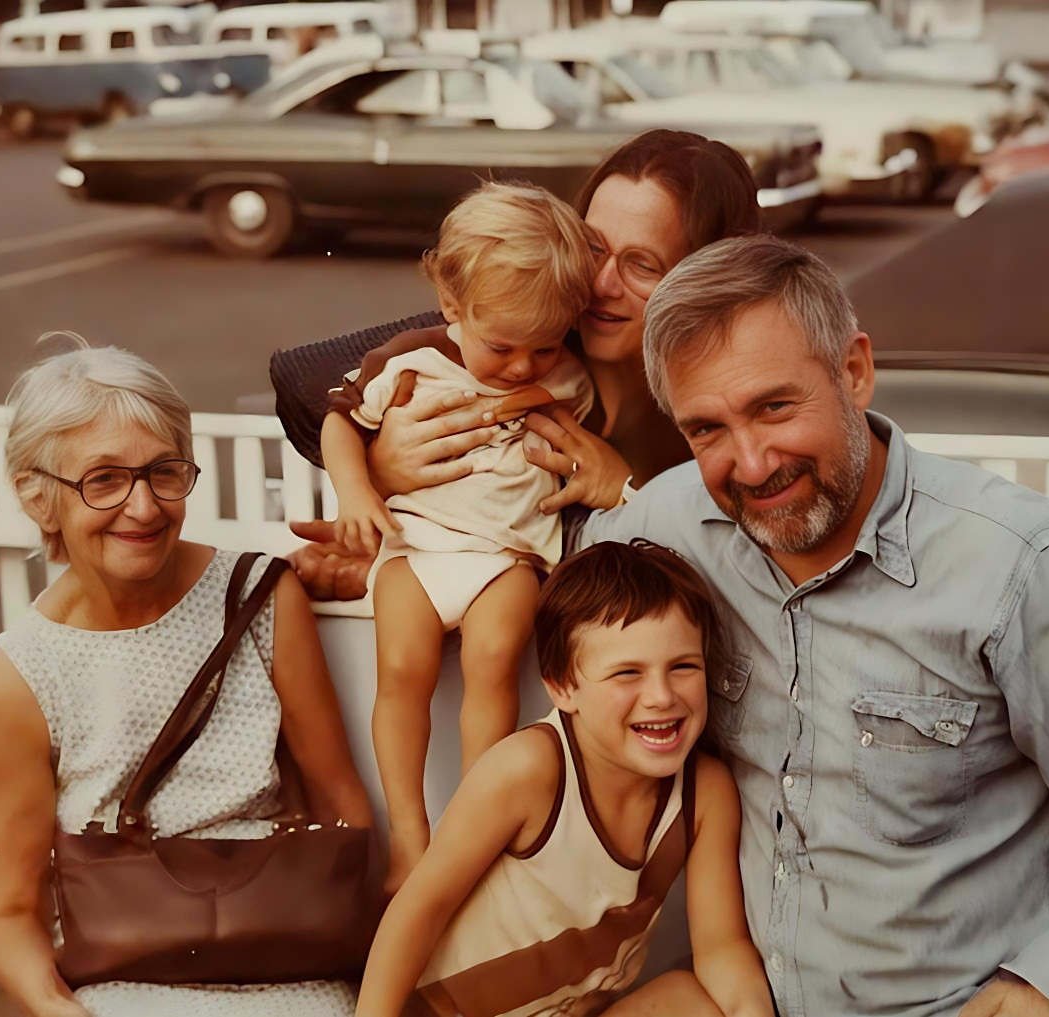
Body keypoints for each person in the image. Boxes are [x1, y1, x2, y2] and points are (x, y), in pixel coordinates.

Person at [578, 235, 1049, 1017]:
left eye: (774, 407)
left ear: (854, 371)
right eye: (707, 430)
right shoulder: (667, 526)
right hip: (747, 995)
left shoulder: (1019, 563)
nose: (750, 464)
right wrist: (392, 452)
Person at [0, 337, 374, 1017]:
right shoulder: (23, 672)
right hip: (124, 979)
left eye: (164, 471)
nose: (144, 507)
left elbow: (344, 809)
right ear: (40, 499)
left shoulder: (255, 595)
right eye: (104, 479)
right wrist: (60, 1009)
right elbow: (10, 909)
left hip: (290, 959)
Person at [281, 129, 762, 599]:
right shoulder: (527, 329)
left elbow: (738, 580)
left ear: (707, 277)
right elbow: (308, 376)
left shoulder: (727, 418)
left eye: (642, 264)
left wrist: (629, 492)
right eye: (592, 247)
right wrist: (382, 468)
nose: (599, 284)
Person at [356, 541, 773, 1017]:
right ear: (563, 687)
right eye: (626, 673)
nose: (661, 696)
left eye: (683, 667)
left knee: (690, 999)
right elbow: (417, 912)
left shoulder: (706, 793)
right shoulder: (528, 769)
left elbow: (722, 946)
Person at [320, 182, 597, 891]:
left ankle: (478, 822)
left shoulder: (571, 378)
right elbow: (340, 421)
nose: (523, 366)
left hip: (507, 555)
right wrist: (356, 489)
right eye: (502, 345)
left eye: (545, 346)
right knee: (402, 672)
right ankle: (411, 834)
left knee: (496, 655)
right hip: (416, 545)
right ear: (452, 307)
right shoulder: (411, 360)